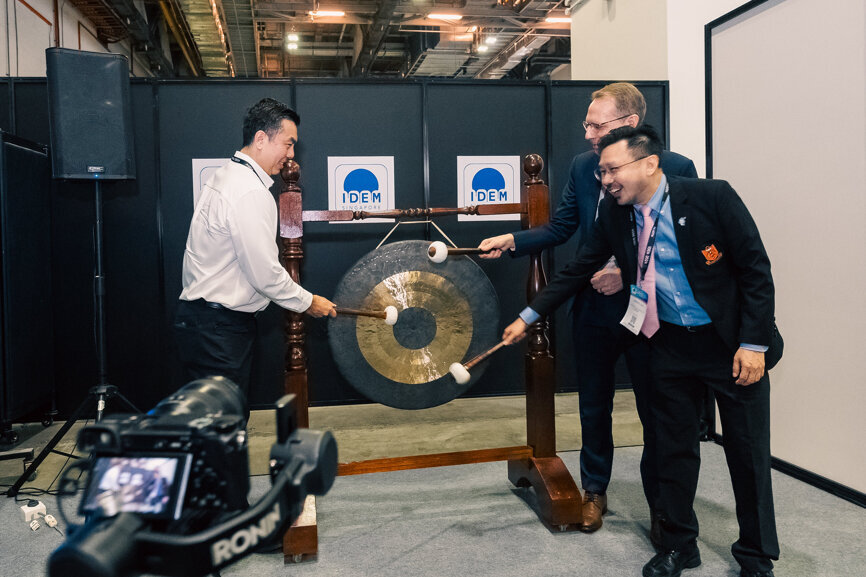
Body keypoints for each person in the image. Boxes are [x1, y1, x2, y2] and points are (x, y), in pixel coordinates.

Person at [502, 125, 780, 577]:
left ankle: (756, 555)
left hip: (728, 347)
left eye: (613, 169)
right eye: (601, 172)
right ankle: (678, 545)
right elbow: (576, 271)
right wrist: (528, 317)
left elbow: (755, 272)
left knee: (747, 454)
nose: (606, 180)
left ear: (649, 163)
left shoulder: (712, 197)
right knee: (671, 450)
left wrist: (753, 344)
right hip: (667, 345)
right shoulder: (614, 215)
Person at [479, 83, 697, 535]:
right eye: (587, 124)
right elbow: (563, 228)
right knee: (592, 406)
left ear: (630, 126)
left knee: (654, 409)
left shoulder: (676, 168)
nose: (587, 134)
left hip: (649, 312)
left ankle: (662, 505)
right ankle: (594, 490)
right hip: (593, 309)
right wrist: (514, 240)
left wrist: (626, 269)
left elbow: (682, 243)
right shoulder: (583, 168)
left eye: (596, 125)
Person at [174, 97, 336, 398]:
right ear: (261, 139)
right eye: (288, 144)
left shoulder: (226, 175)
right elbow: (264, 273)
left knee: (211, 426)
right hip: (219, 329)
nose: (290, 156)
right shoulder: (249, 190)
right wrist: (308, 301)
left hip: (203, 325)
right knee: (221, 429)